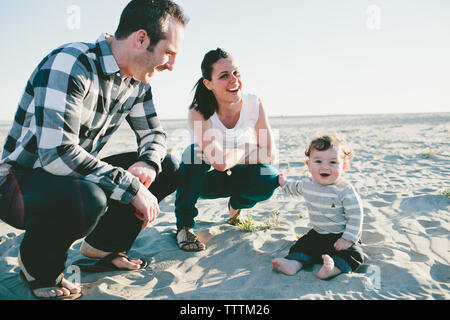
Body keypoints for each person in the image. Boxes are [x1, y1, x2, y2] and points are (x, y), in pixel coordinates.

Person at [0, 0, 188, 300]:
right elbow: (57, 153)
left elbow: (154, 134)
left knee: (170, 165)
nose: (171, 65)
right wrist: (131, 186)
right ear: (141, 39)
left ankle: (101, 248)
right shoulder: (70, 62)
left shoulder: (137, 83)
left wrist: (148, 164)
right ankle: (37, 266)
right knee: (90, 198)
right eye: (169, 53)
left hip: (68, 177)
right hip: (19, 184)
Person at [174, 48, 280, 251]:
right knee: (193, 153)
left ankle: (236, 207)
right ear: (208, 83)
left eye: (236, 73)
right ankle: (185, 226)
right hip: (204, 182)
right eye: (224, 76)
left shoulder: (253, 103)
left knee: (269, 178)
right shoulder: (198, 112)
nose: (234, 80)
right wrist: (247, 149)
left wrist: (234, 154)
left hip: (237, 175)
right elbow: (219, 163)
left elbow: (270, 154)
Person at [272, 134, 364, 279]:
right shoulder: (307, 184)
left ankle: (332, 269)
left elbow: (356, 215)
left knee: (354, 254)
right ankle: (293, 265)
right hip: (318, 234)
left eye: (333, 162)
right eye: (318, 161)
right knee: (301, 246)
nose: (325, 166)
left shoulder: (345, 190)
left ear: (344, 166)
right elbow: (293, 188)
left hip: (340, 236)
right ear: (309, 165)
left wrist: (348, 238)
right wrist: (283, 183)